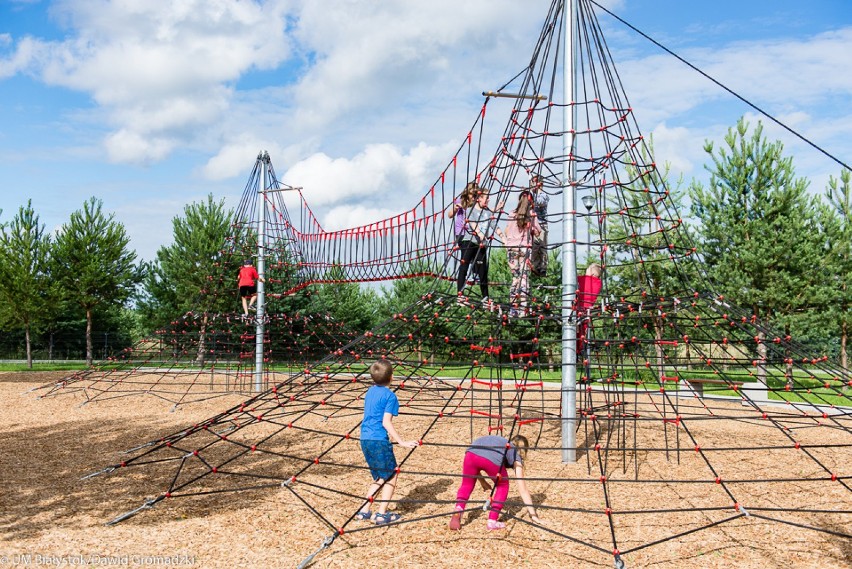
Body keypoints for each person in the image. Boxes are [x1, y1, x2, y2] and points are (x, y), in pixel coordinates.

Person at [356, 360, 418, 525]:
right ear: (391, 377)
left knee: (380, 476)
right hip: (378, 440)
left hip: (365, 438)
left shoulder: (369, 391)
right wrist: (401, 441)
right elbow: (386, 422)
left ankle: (364, 511)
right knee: (391, 475)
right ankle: (382, 514)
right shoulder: (390, 396)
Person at [448, 434, 542, 531]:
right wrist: (533, 515)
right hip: (490, 458)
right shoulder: (515, 454)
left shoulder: (501, 442)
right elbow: (523, 488)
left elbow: (477, 461)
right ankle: (492, 521)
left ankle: (458, 508)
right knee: (503, 486)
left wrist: (483, 481)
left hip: (471, 453)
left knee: (466, 485)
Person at [496, 191, 541, 318]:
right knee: (524, 277)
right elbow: (537, 232)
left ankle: (513, 308)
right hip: (524, 248)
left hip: (511, 248)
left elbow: (507, 230)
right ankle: (523, 307)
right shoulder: (531, 215)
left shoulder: (512, 214)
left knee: (515, 278)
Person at [456, 186, 501, 307]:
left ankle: (485, 298)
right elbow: (472, 224)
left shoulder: (487, 212)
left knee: (483, 271)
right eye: (486, 198)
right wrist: (479, 233)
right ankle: (460, 295)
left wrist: (503, 236)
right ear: (479, 199)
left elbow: (494, 226)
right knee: (464, 266)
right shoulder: (471, 210)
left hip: (481, 245)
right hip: (469, 242)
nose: (488, 200)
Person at [577, 263, 603, 354]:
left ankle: (578, 350)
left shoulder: (584, 280)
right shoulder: (599, 283)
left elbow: (574, 280)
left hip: (578, 310)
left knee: (576, 334)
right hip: (586, 313)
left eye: (587, 269)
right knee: (582, 333)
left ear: (591, 273)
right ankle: (580, 349)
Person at [528, 175, 550, 277]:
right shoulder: (532, 195)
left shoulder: (543, 195)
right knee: (534, 247)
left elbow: (540, 202)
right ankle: (535, 266)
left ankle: (543, 267)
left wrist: (531, 200)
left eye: (533, 183)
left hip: (541, 224)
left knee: (542, 246)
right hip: (532, 224)